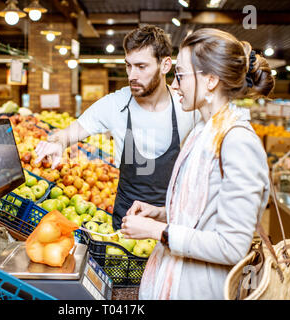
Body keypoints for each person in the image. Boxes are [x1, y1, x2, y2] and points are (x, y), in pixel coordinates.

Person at [120, 28, 275, 299]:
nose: (175, 85)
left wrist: (159, 231)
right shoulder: (205, 131)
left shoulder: (237, 142)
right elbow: (206, 213)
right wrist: (161, 213)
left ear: (211, 80)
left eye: (180, 75)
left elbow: (231, 245)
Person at [35, 25, 199, 230]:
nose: (132, 75)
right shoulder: (115, 104)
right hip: (126, 223)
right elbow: (70, 132)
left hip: (173, 223)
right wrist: (57, 143)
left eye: (141, 66)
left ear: (165, 65)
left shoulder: (187, 108)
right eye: (128, 66)